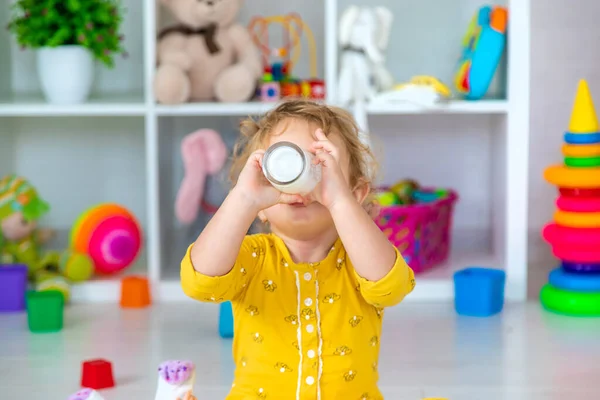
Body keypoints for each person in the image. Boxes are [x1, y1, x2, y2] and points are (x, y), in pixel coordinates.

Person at [181, 99, 415, 399]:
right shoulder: (251, 257)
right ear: (261, 208)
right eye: (280, 166)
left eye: (319, 162)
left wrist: (339, 201)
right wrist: (243, 200)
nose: (299, 179)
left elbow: (391, 288)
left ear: (356, 195)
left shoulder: (362, 259)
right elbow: (199, 284)